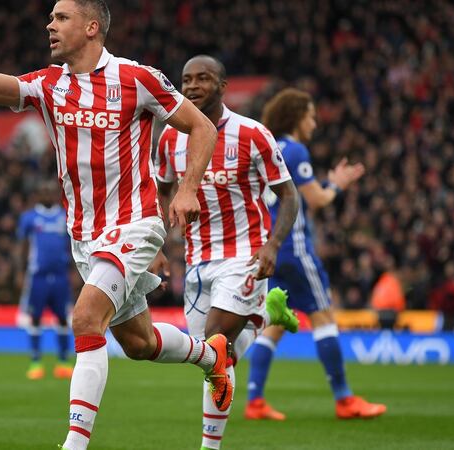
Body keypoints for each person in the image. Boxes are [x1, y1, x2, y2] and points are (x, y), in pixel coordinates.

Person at [0, 1, 236, 448]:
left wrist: (186, 189)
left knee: (86, 318)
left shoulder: (135, 78)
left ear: (91, 28)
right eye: (51, 17)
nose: (50, 25)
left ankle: (74, 443)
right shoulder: (48, 85)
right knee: (139, 343)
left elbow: (202, 127)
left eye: (60, 17)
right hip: (85, 237)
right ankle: (211, 355)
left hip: (135, 223)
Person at [156, 56, 300, 450]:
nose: (193, 86)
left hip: (246, 254)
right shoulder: (171, 138)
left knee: (217, 344)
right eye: (186, 79)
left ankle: (208, 448)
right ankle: (268, 312)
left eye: (203, 78)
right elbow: (162, 191)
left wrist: (272, 245)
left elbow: (289, 196)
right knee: (217, 358)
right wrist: (155, 245)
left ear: (223, 85)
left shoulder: (253, 134)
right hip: (198, 260)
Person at [245, 88, 386, 420]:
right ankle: (344, 399)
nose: (315, 123)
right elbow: (317, 199)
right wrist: (336, 184)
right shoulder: (295, 150)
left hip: (269, 248)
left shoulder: (266, 148)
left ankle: (255, 400)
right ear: (296, 117)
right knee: (324, 317)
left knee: (274, 326)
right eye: (310, 116)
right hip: (294, 247)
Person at [16, 181, 74, 380]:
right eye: (44, 192)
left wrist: (74, 272)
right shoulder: (29, 218)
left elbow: (71, 247)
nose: (48, 195)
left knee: (63, 318)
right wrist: (19, 272)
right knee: (35, 318)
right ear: (37, 195)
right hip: (37, 276)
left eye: (51, 191)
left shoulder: (65, 216)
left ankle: (63, 362)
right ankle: (35, 362)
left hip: (60, 276)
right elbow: (23, 247)